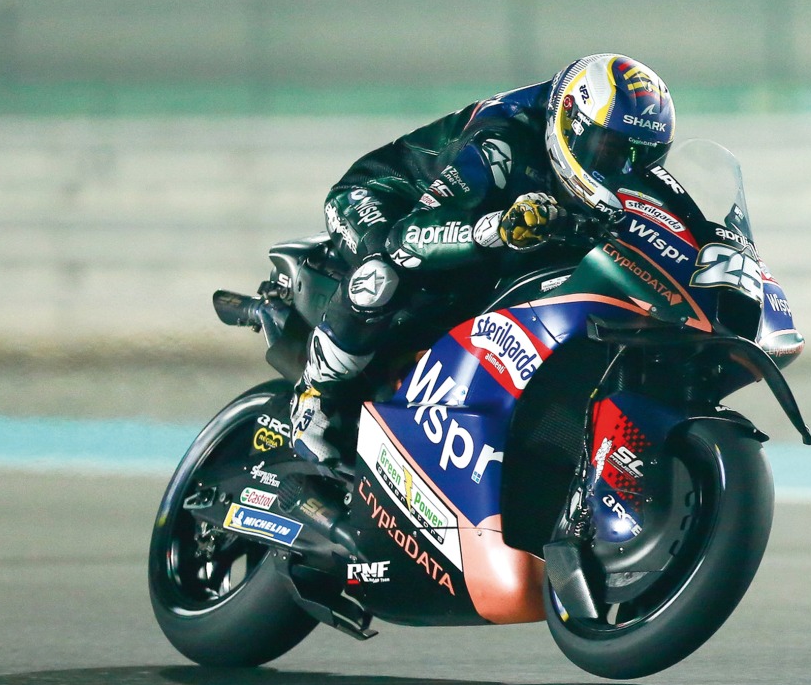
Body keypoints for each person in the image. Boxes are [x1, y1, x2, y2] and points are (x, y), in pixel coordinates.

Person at [289, 53, 676, 463]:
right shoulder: (503, 137)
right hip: (384, 201)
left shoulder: (604, 166)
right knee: (382, 271)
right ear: (571, 123)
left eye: (642, 159)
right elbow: (410, 237)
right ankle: (315, 395)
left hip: (486, 225)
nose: (624, 171)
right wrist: (497, 228)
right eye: (612, 151)